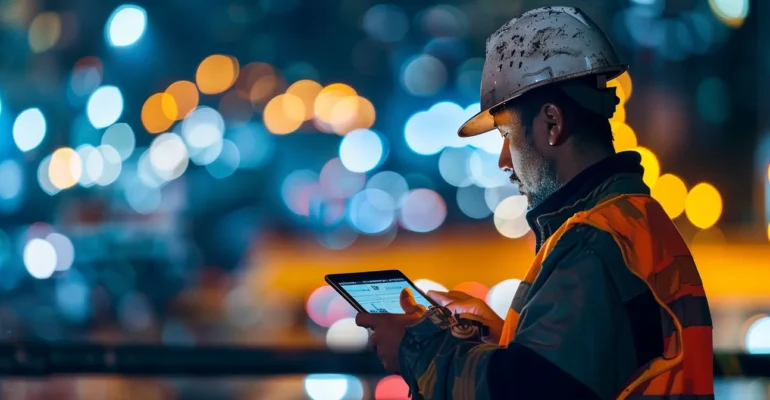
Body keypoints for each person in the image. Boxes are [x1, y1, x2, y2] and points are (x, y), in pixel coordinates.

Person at [355, 6, 714, 400]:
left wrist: (416, 347)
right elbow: (587, 366)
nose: (503, 160)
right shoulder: (633, 220)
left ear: (552, 123)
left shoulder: (590, 244)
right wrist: (499, 332)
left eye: (508, 135)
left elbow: (530, 391)